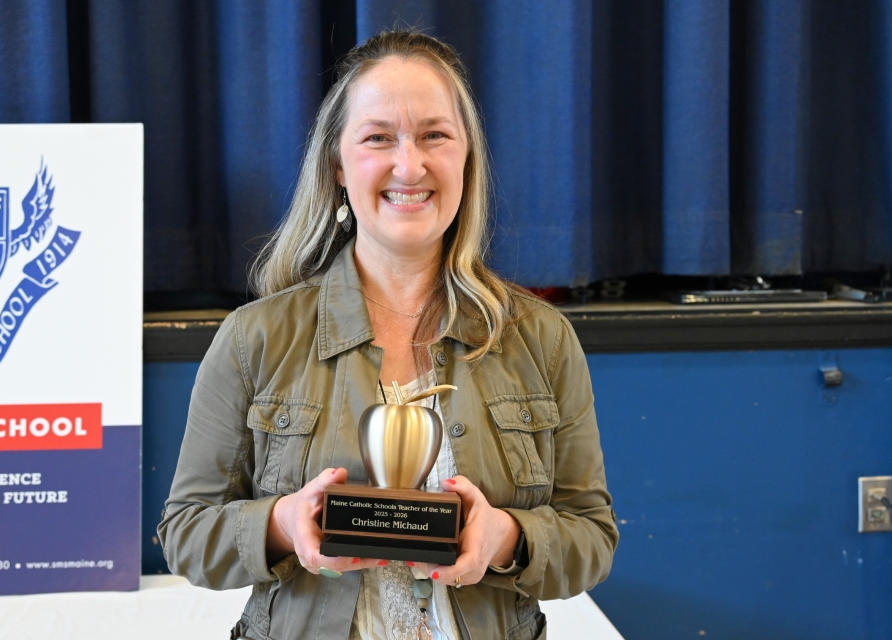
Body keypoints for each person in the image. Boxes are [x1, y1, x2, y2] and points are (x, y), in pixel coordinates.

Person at [158, 30, 617, 640]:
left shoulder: (541, 338)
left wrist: (506, 537)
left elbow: (592, 536)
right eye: (378, 137)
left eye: (434, 135)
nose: (410, 164)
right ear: (338, 167)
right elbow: (186, 533)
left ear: (466, 160)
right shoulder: (254, 339)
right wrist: (283, 522)